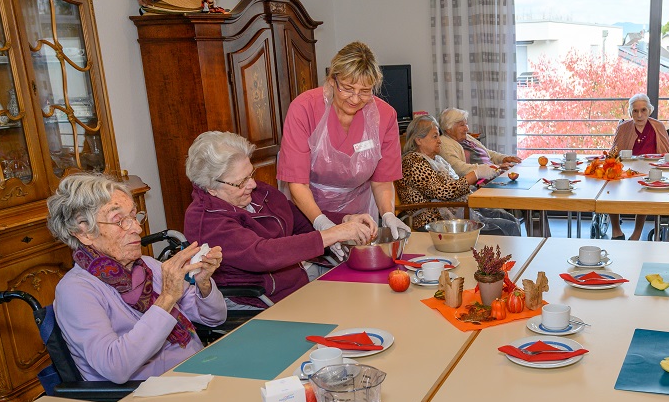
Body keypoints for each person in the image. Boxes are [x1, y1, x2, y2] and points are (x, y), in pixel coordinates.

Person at [47, 173, 227, 383]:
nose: (137, 228)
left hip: (196, 369)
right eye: (120, 220)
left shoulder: (147, 266)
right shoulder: (76, 291)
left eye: (134, 216)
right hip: (142, 395)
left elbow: (214, 319)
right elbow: (115, 367)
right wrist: (167, 298)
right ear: (84, 232)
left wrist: (203, 283)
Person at [184, 131, 373, 307]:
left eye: (251, 174)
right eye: (241, 181)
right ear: (211, 188)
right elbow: (262, 254)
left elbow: (297, 219)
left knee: (365, 293)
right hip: (258, 300)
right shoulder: (205, 219)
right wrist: (332, 234)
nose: (252, 184)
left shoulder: (261, 193)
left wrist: (345, 220)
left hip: (295, 283)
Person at [277, 41, 406, 240]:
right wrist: (322, 224)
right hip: (306, 210)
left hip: (358, 213)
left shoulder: (385, 116)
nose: (355, 99)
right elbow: (297, 183)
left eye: (365, 91)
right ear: (332, 80)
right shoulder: (304, 109)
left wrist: (388, 214)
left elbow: (381, 181)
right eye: (347, 88)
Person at [399, 116, 520, 235]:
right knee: (506, 228)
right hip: (433, 220)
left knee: (509, 218)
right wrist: (477, 174)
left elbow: (455, 183)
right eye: (435, 137)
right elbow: (442, 192)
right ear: (418, 140)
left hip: (457, 209)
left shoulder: (437, 159)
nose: (439, 140)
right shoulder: (413, 162)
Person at [608, 93, 669, 241]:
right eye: (635, 111)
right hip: (625, 171)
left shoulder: (658, 127)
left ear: (649, 111)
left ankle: (637, 233)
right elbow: (613, 154)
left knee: (645, 192)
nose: (639, 115)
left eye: (643, 110)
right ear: (630, 112)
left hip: (649, 170)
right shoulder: (623, 128)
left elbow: (667, 154)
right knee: (611, 187)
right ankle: (616, 230)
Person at [438, 108, 521, 179]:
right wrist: (493, 168)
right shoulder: (444, 144)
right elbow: (459, 169)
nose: (466, 128)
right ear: (448, 128)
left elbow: (487, 153)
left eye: (466, 124)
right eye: (462, 125)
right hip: (478, 183)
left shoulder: (466, 138)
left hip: (492, 174)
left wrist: (504, 158)